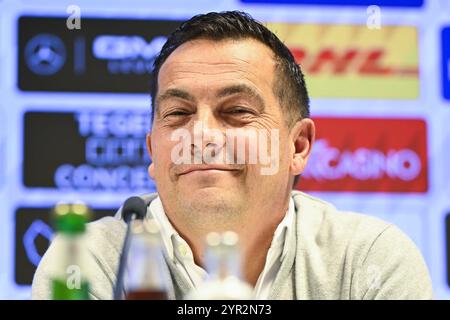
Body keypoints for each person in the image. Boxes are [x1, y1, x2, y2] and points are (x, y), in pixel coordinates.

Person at [32, 11, 433, 300]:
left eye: (237, 112)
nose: (202, 135)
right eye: (179, 114)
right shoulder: (87, 260)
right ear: (153, 150)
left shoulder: (366, 258)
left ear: (298, 147)